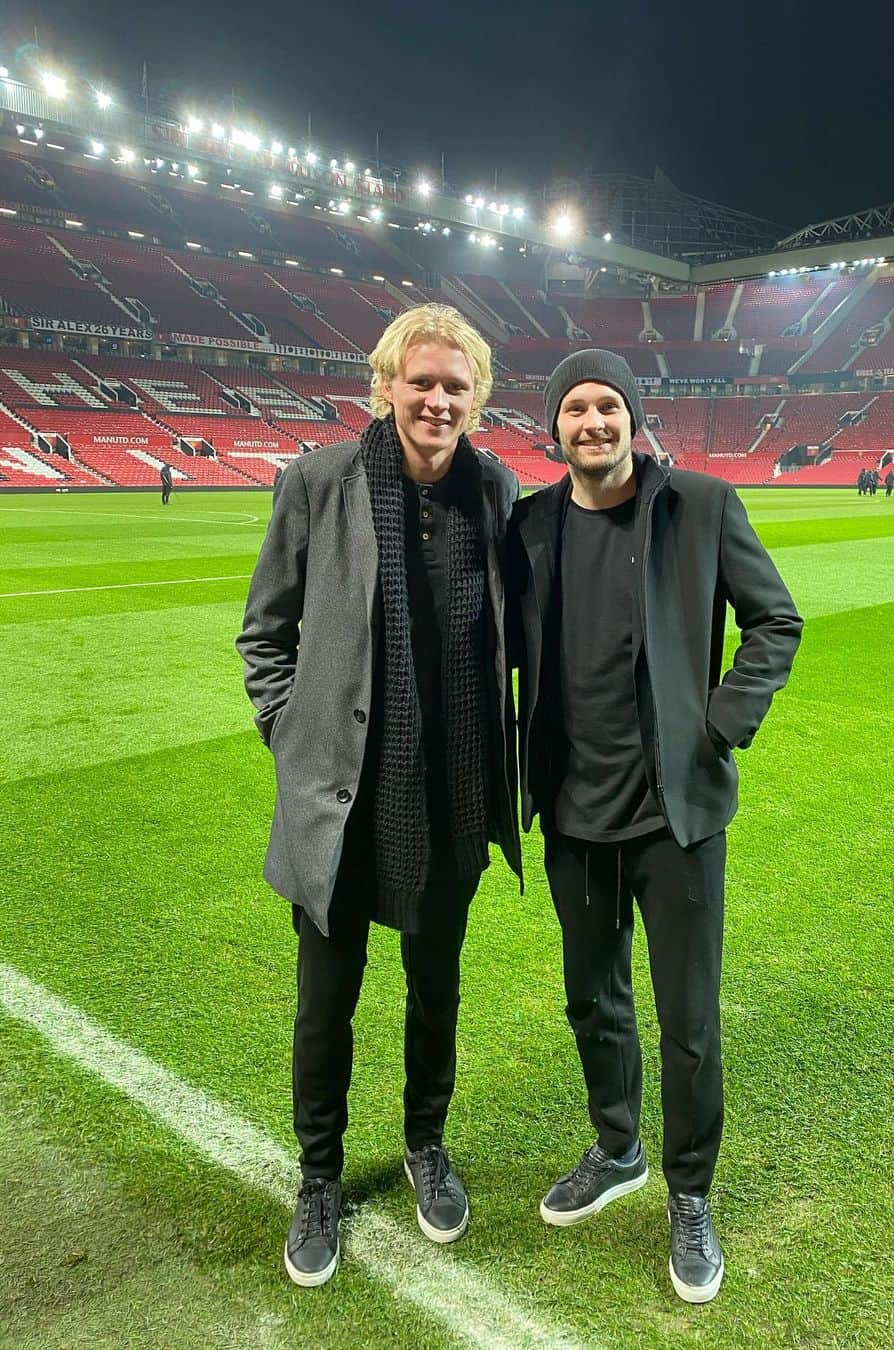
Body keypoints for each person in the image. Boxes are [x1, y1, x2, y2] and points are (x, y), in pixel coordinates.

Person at [508, 350, 802, 1304]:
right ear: (553, 428)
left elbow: (775, 623)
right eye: (574, 409)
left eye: (607, 405)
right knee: (592, 999)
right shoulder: (531, 525)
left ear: (633, 417)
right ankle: (618, 1145)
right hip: (573, 814)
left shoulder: (702, 506)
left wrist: (720, 725)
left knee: (687, 1019)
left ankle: (689, 1194)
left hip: (676, 818)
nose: (591, 422)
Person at [237, 304, 522, 1287]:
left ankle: (424, 1144)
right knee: (327, 1007)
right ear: (388, 386)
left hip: (450, 799)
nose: (438, 399)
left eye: (457, 385)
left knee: (435, 994)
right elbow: (263, 635)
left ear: (476, 398)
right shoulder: (320, 482)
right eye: (422, 381)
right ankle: (318, 1178)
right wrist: (291, 740)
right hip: (342, 806)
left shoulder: (496, 488)